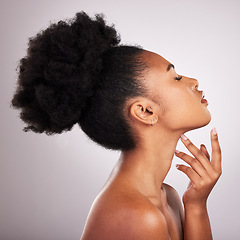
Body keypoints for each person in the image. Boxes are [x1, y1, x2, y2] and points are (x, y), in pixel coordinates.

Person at [11, 11, 222, 240]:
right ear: (145, 111)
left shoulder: (166, 196)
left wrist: (196, 205)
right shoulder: (138, 215)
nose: (194, 82)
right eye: (176, 78)